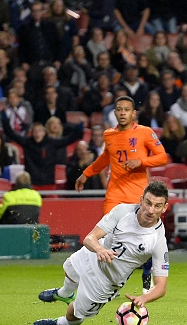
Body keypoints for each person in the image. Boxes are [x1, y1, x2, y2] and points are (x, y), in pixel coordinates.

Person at [32, 180, 170, 325]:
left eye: (157, 206)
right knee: (70, 269)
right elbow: (89, 238)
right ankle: (64, 293)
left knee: (75, 314)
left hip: (107, 281)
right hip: (94, 254)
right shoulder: (122, 211)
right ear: (141, 200)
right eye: (148, 203)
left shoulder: (158, 241)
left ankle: (61, 323)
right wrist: (99, 249)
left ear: (164, 208)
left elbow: (161, 287)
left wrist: (144, 298)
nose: (150, 210)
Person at [75, 96, 167, 293]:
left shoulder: (145, 132)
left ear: (133, 113)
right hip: (115, 193)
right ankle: (105, 278)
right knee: (106, 235)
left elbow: (162, 157)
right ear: (114, 113)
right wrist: (86, 174)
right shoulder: (109, 135)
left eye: (127, 109)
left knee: (145, 236)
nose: (123, 113)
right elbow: (105, 158)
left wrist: (140, 161)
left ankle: (146, 272)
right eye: (119, 109)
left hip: (139, 195)